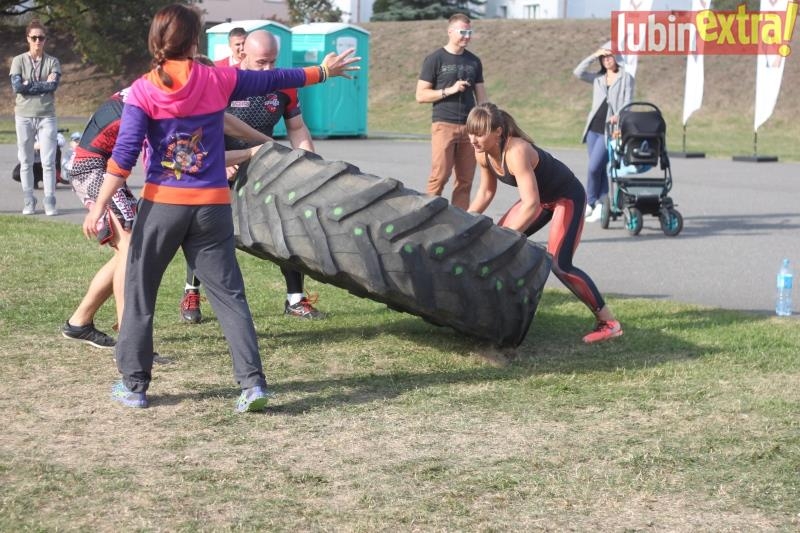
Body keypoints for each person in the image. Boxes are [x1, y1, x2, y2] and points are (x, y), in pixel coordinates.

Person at [81, 3, 359, 411]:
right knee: (230, 297)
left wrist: (98, 206)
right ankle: (253, 385)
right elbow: (275, 79)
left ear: (156, 40)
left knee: (140, 292)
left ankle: (135, 386)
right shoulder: (216, 78)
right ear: (194, 40)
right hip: (212, 207)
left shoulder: (143, 89)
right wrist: (322, 71)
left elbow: (122, 158)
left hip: (164, 206)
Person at [64, 86, 268, 351]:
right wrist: (252, 152)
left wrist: (264, 142)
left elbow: (221, 119)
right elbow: (190, 159)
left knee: (128, 250)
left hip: (103, 166)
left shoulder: (168, 88)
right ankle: (130, 343)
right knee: (130, 249)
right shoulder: (165, 107)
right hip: (93, 168)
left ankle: (79, 323)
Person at [180, 29, 326, 324]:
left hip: (263, 164)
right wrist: (219, 162)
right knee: (205, 230)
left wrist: (307, 163)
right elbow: (200, 126)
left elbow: (297, 128)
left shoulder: (283, 85)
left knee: (288, 223)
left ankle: (295, 298)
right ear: (242, 53)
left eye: (273, 61)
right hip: (220, 164)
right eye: (261, 62)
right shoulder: (223, 80)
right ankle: (191, 291)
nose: (268, 69)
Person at [465, 103, 623, 344]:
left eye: (479, 133)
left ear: (498, 132)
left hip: (565, 197)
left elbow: (531, 205)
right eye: (470, 132)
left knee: (560, 265)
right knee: (494, 245)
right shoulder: (482, 152)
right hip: (540, 199)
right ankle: (498, 312)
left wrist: (505, 238)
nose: (473, 139)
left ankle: (609, 323)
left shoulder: (516, 151)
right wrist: (466, 222)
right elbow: (486, 192)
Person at [415, 13, 487, 210]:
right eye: (462, 32)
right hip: (444, 124)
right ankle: (427, 215)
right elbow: (421, 95)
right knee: (440, 176)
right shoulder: (435, 59)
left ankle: (460, 221)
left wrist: (485, 123)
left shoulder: (474, 61)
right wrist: (450, 90)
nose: (467, 36)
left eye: (469, 32)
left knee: (465, 180)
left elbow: (482, 97)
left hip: (470, 128)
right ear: (450, 31)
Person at [573, 42, 634, 223]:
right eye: (603, 57)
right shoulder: (598, 78)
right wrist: (594, 55)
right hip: (593, 129)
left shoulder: (626, 78)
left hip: (610, 131)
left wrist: (619, 115)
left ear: (617, 57)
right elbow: (578, 72)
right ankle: (602, 204)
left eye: (609, 56)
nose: (606, 60)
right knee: (598, 168)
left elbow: (628, 102)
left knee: (594, 168)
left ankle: (591, 202)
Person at [10, 19, 61, 216]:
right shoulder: (18, 61)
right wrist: (41, 85)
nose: (38, 41)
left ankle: (49, 200)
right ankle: (29, 200)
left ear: (45, 39)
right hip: (23, 115)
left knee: (48, 161)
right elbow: (18, 87)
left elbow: (53, 85)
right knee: (26, 160)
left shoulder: (53, 61)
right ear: (28, 39)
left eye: (41, 38)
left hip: (47, 115)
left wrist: (29, 84)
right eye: (34, 38)